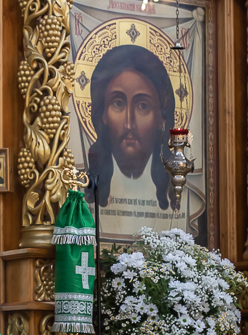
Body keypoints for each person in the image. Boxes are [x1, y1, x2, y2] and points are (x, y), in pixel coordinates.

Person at [86, 44, 201, 238]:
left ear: (161, 118)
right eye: (117, 103)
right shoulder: (83, 192)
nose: (129, 123)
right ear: (103, 114)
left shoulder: (183, 193)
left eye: (142, 105)